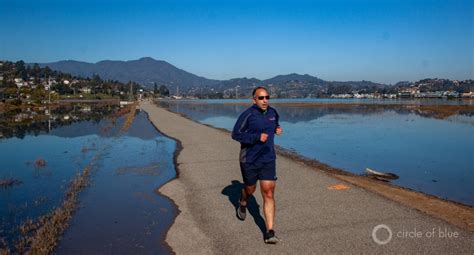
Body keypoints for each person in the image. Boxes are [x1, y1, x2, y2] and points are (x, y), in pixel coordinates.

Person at [231, 86, 283, 244]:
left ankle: (270, 232)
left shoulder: (273, 113)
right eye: (261, 98)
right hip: (250, 159)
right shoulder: (248, 115)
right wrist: (256, 137)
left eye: (267, 97)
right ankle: (243, 199)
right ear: (254, 99)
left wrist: (277, 129)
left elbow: (274, 126)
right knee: (250, 189)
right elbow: (236, 134)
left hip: (268, 158)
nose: (265, 100)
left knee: (268, 193)